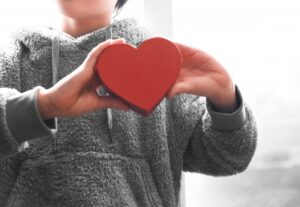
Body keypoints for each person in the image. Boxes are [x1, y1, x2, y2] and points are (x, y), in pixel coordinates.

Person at [0, 0, 257, 206]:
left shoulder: (158, 71)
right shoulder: (9, 63)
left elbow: (228, 157)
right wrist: (42, 106)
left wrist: (225, 97)